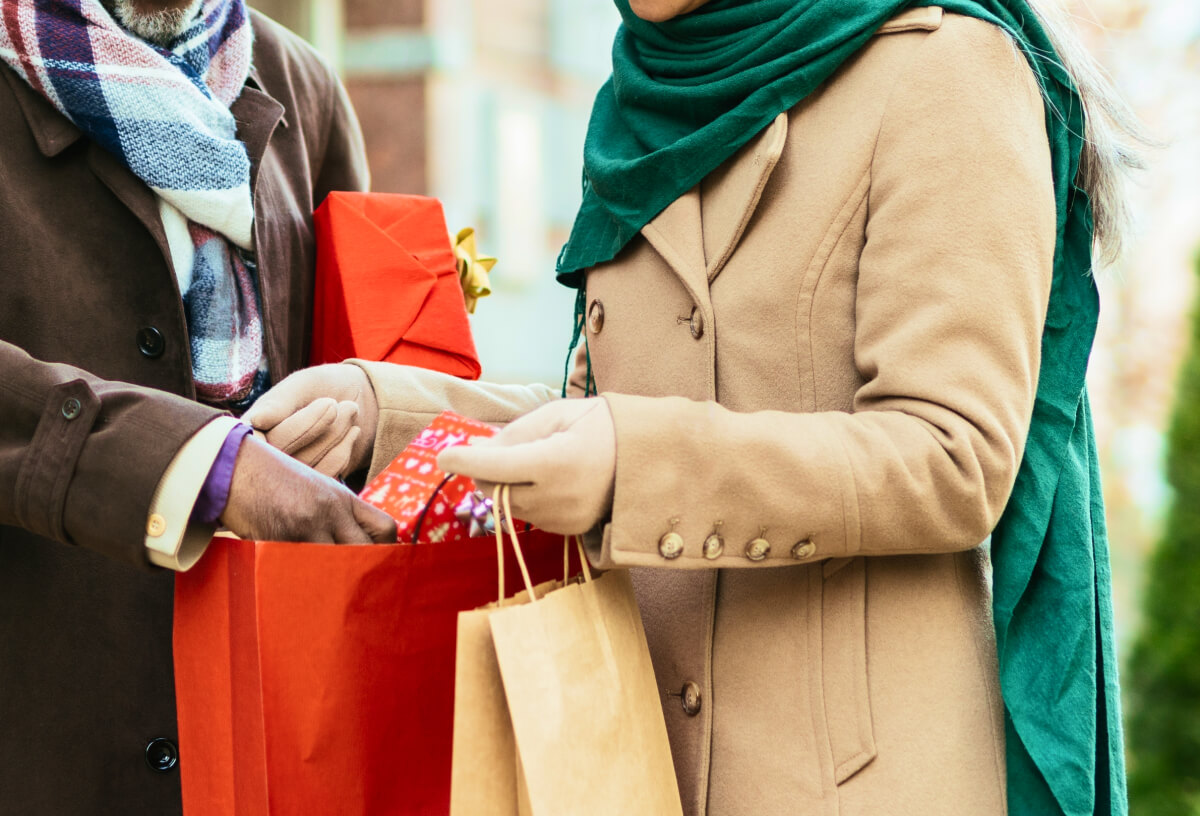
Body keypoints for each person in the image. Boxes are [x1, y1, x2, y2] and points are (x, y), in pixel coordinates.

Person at [251, 1, 1147, 813]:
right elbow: (607, 407)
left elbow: (954, 456)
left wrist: (630, 468)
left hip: (855, 781)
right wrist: (386, 411)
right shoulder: (651, 90)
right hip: (629, 763)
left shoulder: (946, 65)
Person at [0, 0, 397, 812]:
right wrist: (205, 467)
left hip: (262, 737)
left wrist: (354, 428)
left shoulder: (303, 88)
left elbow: (358, 348)